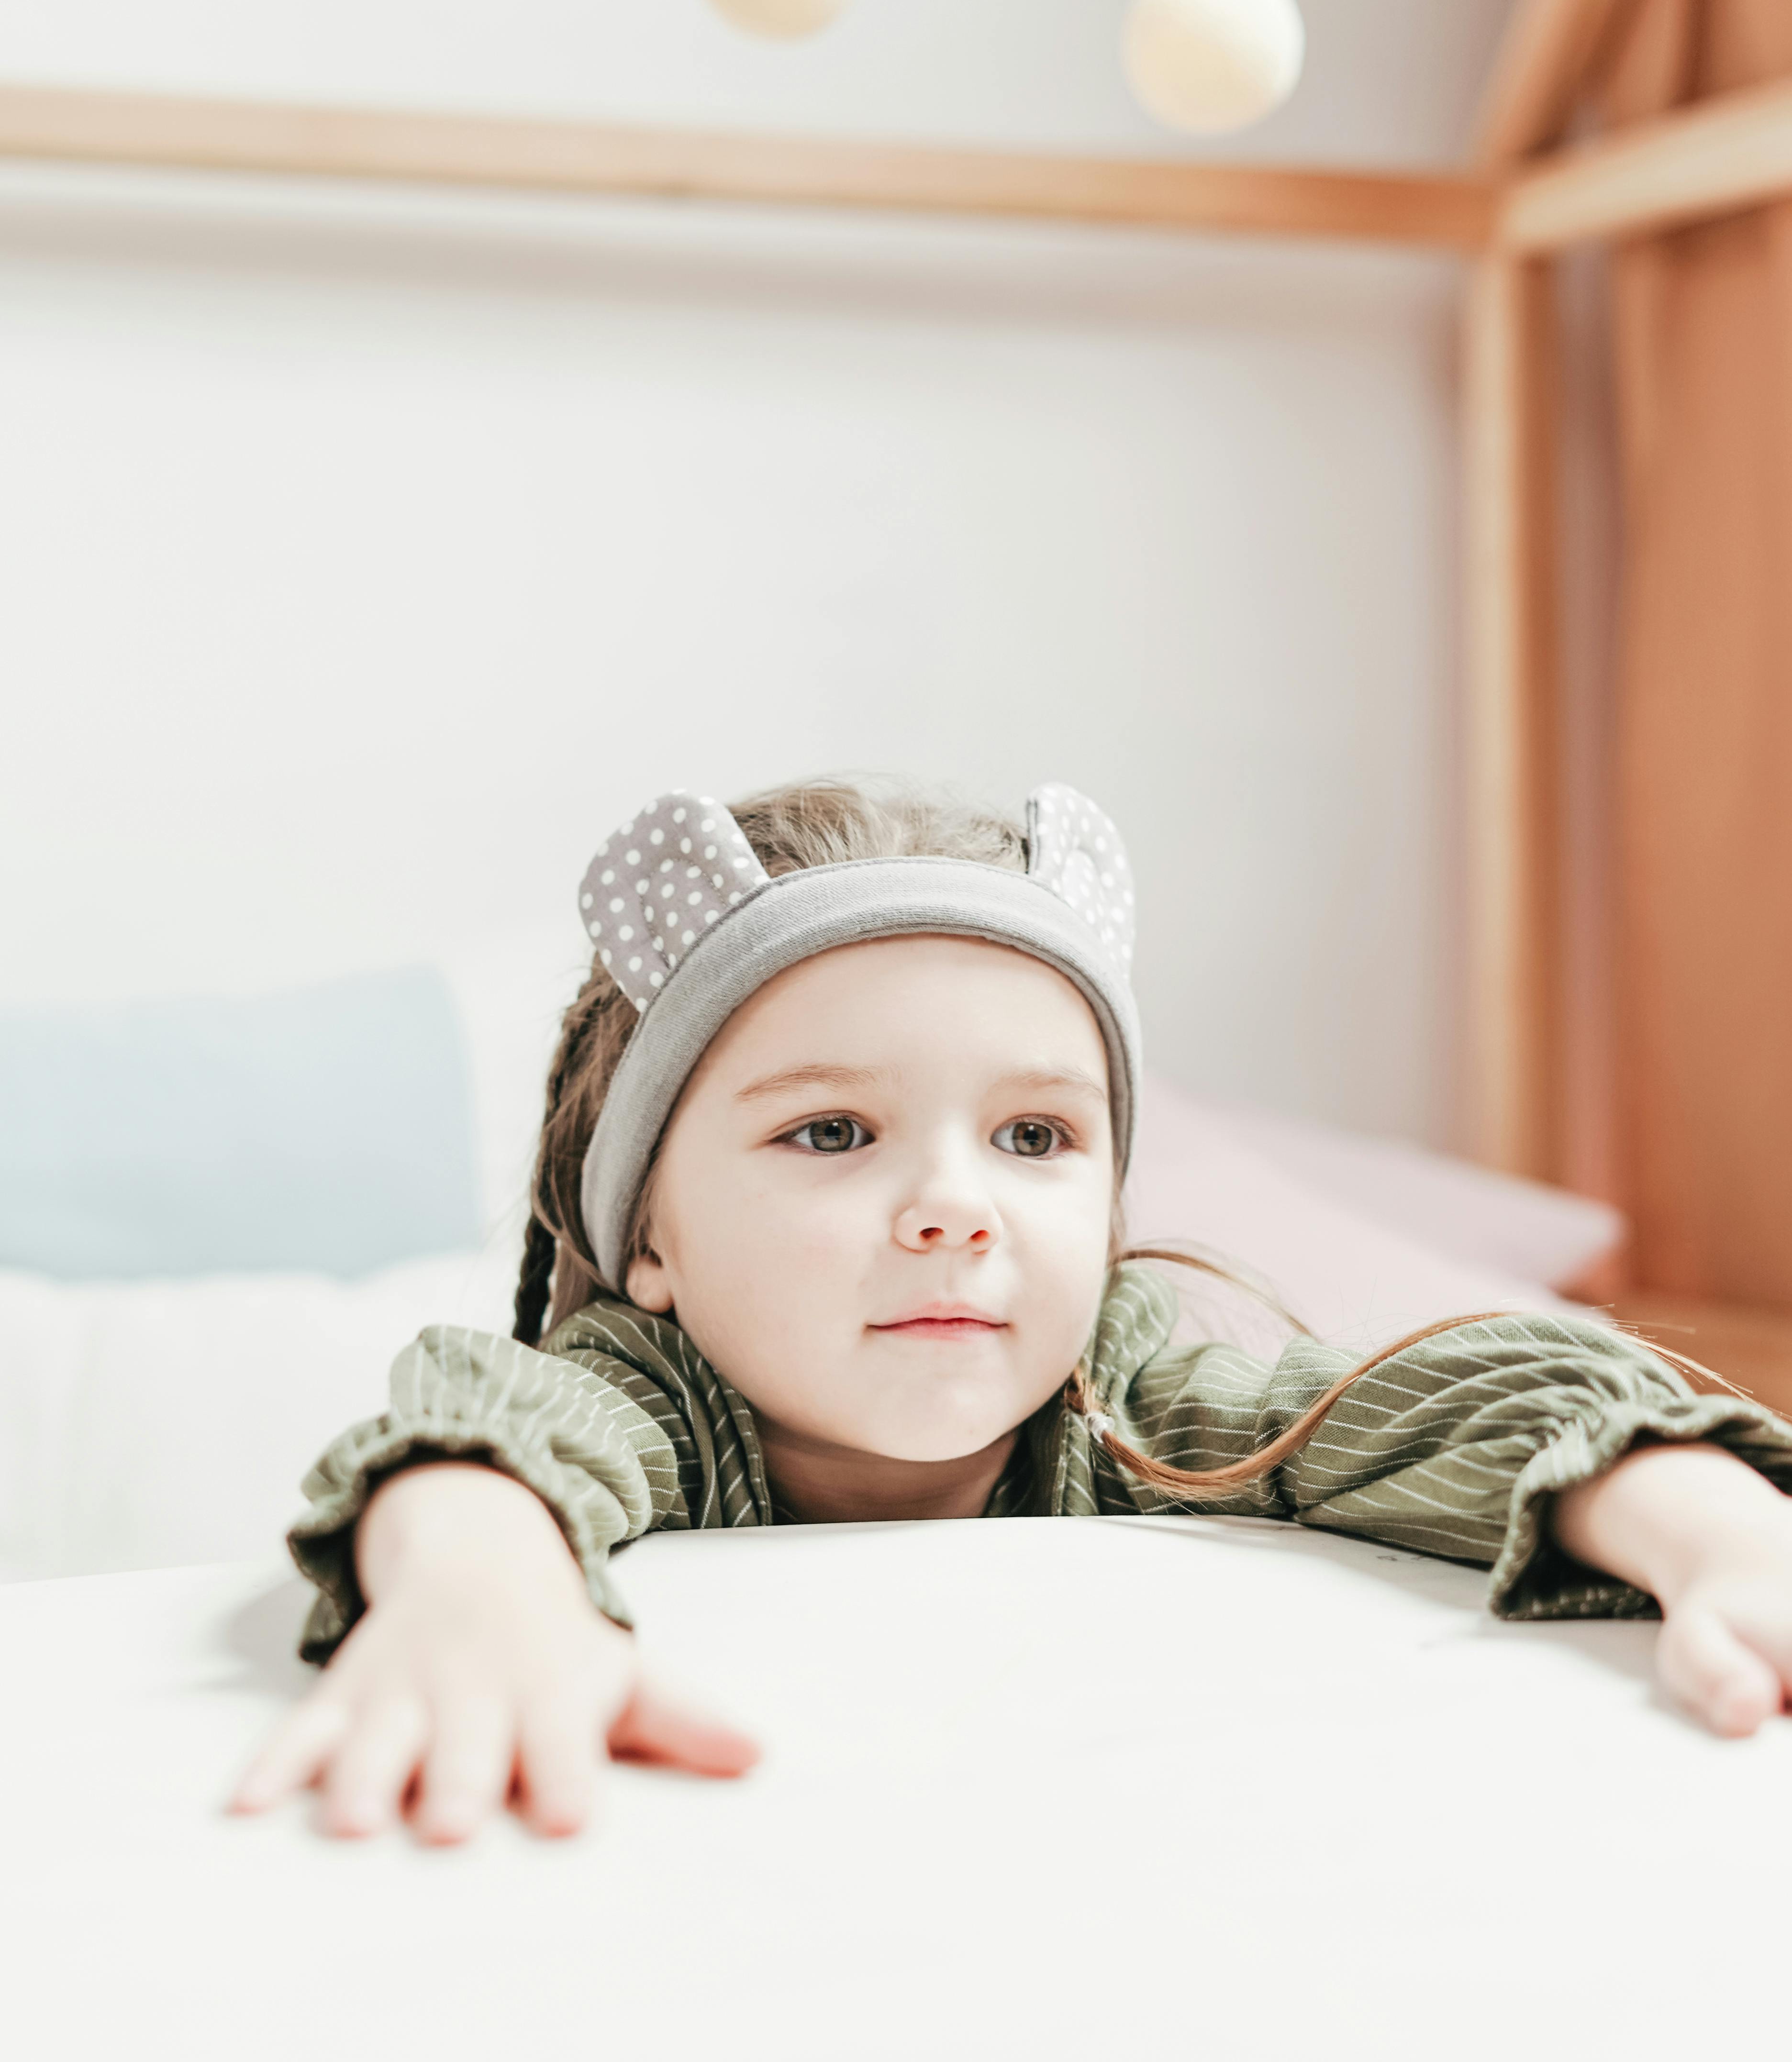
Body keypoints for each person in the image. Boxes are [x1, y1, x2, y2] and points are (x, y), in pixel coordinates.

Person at [233, 777, 1792, 1845]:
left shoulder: (1140, 1405)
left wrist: (1715, 1532)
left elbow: (1448, 1402)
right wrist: (484, 1596)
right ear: (650, 1236)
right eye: (832, 1133)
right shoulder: (653, 1394)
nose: (955, 1204)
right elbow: (488, 1435)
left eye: (1034, 1137)